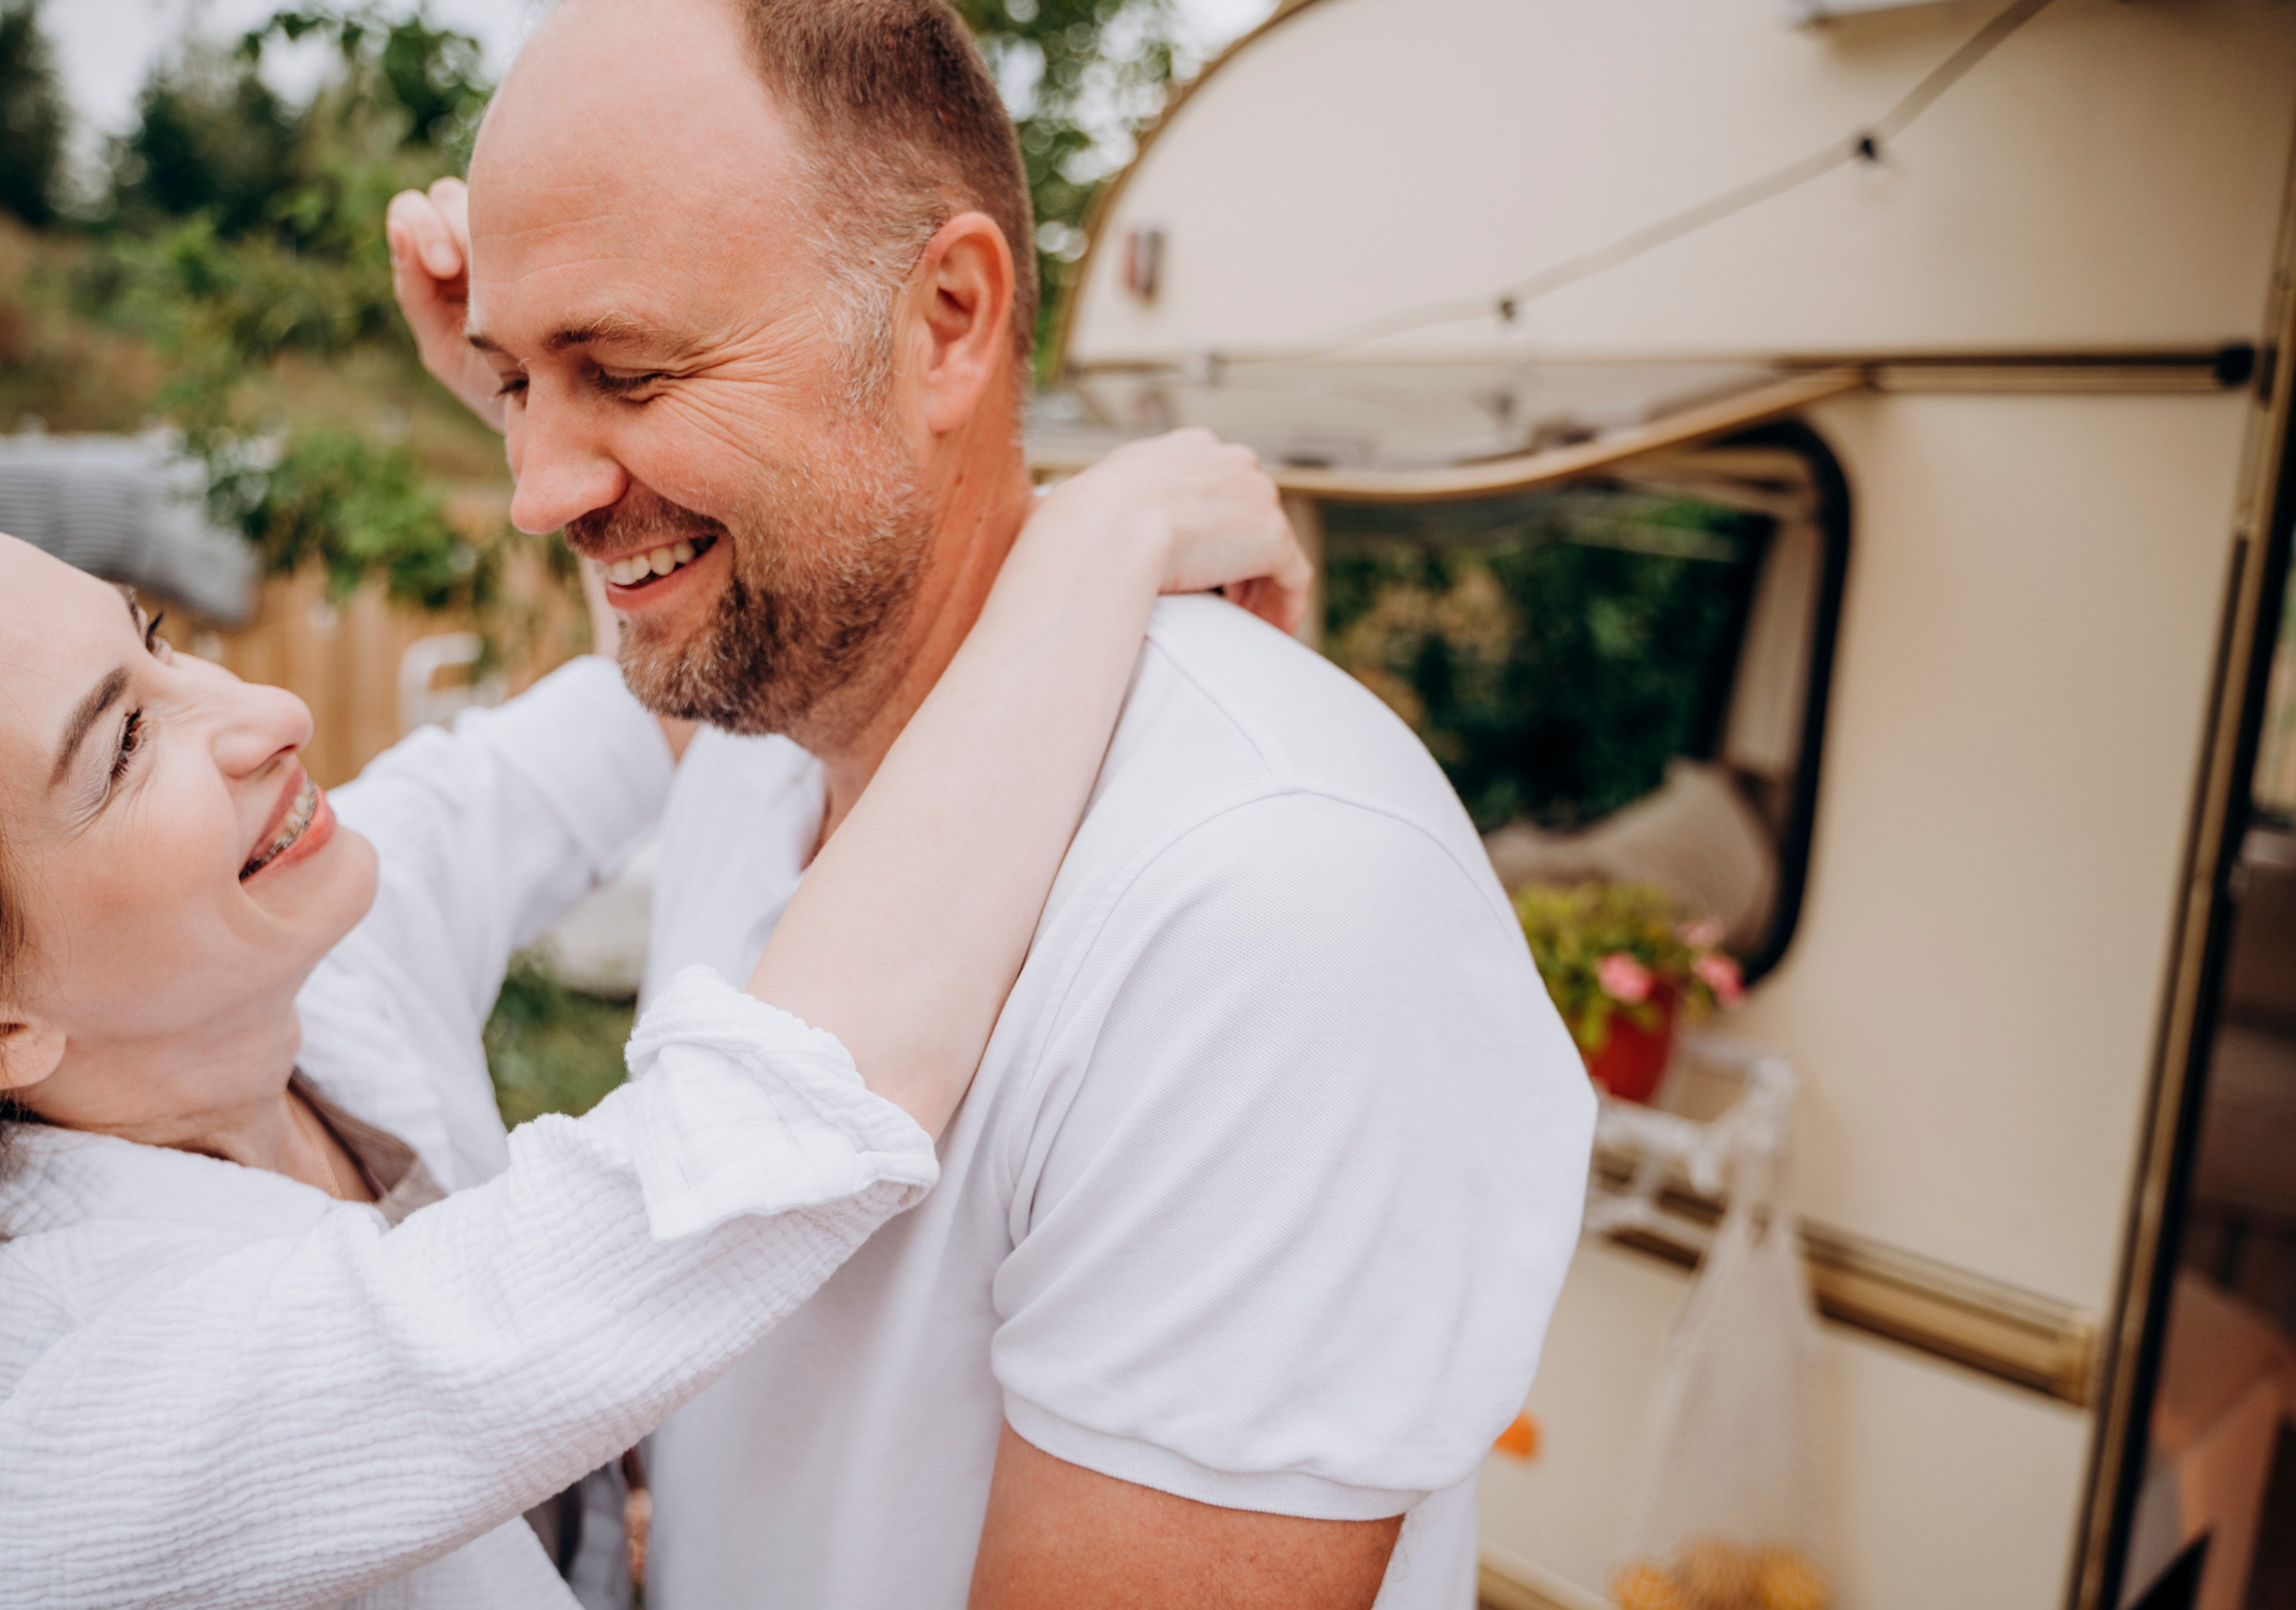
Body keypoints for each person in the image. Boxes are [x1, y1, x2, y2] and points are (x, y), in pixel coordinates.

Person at [386, 1, 1598, 1605]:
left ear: (947, 321)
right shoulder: (762, 733)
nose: (537, 490)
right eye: (514, 386)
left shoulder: (1265, 902)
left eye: (624, 369)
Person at [0, 430, 1307, 1609]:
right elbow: (774, 1119)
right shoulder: (30, 1424)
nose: (267, 710)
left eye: (160, 642)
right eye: (125, 744)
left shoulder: (285, 979)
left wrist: (577, 418)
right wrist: (1097, 545)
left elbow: (636, 720)